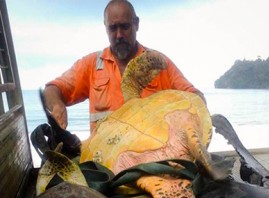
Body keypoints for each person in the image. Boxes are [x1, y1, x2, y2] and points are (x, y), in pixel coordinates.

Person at [43, 0, 205, 132]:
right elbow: (52, 89)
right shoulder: (91, 64)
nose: (119, 35)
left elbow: (195, 97)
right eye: (113, 28)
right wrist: (57, 105)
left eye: (125, 26)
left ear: (136, 24)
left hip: (151, 156)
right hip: (104, 161)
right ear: (105, 27)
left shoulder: (158, 63)